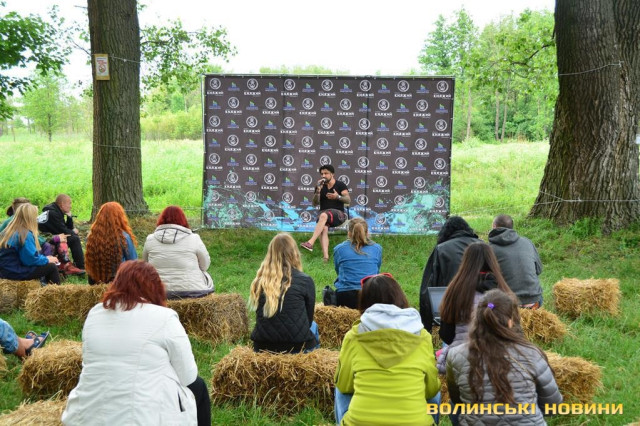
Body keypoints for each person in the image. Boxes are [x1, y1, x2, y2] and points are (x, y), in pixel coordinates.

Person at [62, 261, 211, 426]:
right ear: (155, 287)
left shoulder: (95, 313)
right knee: (199, 386)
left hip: (85, 415)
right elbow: (187, 376)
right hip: (139, 418)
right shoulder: (164, 317)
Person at [334, 273, 440, 425]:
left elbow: (344, 385)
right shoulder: (422, 336)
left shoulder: (354, 336)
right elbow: (431, 389)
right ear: (400, 298)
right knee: (434, 392)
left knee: (340, 389)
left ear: (364, 302)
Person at [446, 289, 562, 425]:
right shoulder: (531, 353)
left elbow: (457, 399)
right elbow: (553, 405)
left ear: (477, 320)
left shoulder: (455, 355)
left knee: (454, 407)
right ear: (510, 322)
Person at [436, 242, 513, 374]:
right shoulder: (504, 291)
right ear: (492, 261)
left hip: (462, 362)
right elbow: (514, 333)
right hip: (500, 361)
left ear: (466, 262)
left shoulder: (455, 291)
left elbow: (446, 334)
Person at [249, 233, 318, 353]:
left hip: (263, 346)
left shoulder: (260, 281)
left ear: (270, 254)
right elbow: (308, 318)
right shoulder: (305, 280)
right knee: (314, 326)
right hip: (297, 347)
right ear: (294, 253)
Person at [420, 216, 482, 332]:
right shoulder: (483, 247)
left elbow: (428, 288)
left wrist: (427, 324)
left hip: (452, 309)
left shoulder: (442, 249)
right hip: (481, 311)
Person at [142, 206, 214, 299]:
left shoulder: (150, 239)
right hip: (193, 291)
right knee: (207, 276)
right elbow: (205, 265)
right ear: (183, 220)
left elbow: (145, 265)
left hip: (157, 291)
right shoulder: (194, 238)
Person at [489, 214, 543, 308]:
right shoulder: (527, 242)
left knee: (487, 305)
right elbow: (539, 270)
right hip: (534, 302)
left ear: (494, 226)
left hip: (508, 306)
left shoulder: (489, 249)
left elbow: (487, 281)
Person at [0, 204, 61, 284]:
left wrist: (44, 258)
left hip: (4, 270)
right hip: (14, 272)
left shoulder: (9, 230)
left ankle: (44, 285)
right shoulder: (24, 234)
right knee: (52, 267)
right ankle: (54, 290)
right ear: (31, 218)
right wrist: (47, 260)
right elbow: (29, 260)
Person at [300, 164, 351, 262]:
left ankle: (310, 242)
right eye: (322, 174)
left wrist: (337, 197)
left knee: (323, 216)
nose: (323, 176)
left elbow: (348, 200)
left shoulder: (340, 185)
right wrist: (318, 192)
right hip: (324, 215)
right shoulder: (320, 186)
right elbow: (315, 204)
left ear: (332, 174)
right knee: (323, 227)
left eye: (326, 173)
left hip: (339, 215)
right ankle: (325, 258)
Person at [332, 218, 382, 309]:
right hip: (370, 294)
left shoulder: (339, 249)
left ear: (349, 233)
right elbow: (377, 271)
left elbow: (338, 271)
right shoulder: (377, 248)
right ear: (367, 232)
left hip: (346, 295)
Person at [85, 202, 137, 284]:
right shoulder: (124, 237)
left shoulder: (91, 237)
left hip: (95, 281)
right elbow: (133, 262)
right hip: (118, 282)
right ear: (120, 217)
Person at [38, 194, 85, 273]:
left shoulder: (55, 211)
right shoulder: (53, 213)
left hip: (50, 238)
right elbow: (65, 231)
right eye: (69, 203)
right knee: (74, 239)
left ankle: (73, 265)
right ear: (62, 204)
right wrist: (73, 232)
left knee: (71, 237)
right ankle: (81, 266)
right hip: (44, 243)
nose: (70, 206)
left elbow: (65, 228)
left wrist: (69, 218)